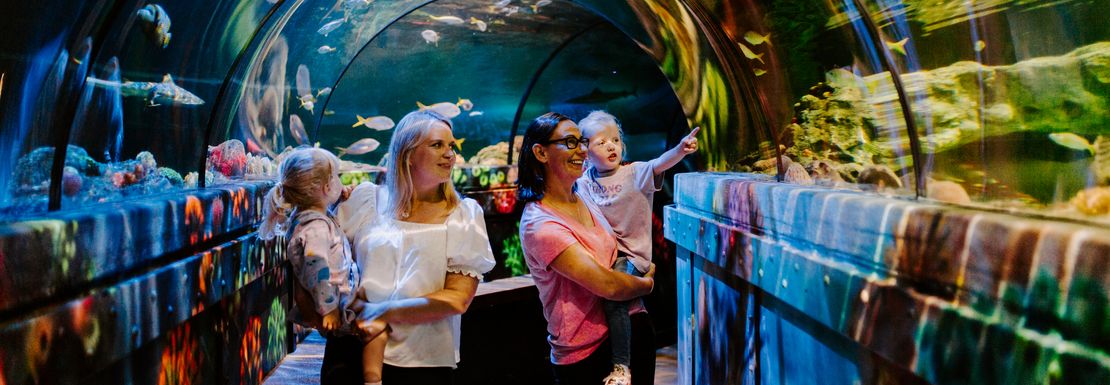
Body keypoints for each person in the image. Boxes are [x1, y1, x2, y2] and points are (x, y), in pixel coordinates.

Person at [335, 109, 497, 385]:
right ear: (407, 154)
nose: (450, 154)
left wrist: (380, 311)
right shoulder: (366, 199)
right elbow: (329, 259)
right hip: (353, 348)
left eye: (451, 146)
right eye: (437, 145)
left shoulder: (464, 215)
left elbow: (458, 298)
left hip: (421, 362)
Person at [517, 112, 657, 385]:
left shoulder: (583, 194)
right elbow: (608, 286)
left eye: (582, 141)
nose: (582, 150)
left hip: (633, 329)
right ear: (541, 152)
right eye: (570, 142)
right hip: (587, 353)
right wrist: (647, 284)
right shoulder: (540, 224)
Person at [576, 111, 698, 384]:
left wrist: (680, 149)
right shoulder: (585, 182)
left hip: (631, 255)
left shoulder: (635, 173)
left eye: (615, 140)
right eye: (601, 142)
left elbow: (659, 163)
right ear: (586, 152)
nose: (611, 146)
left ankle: (622, 366)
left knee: (614, 298)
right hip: (604, 255)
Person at [257, 147, 388, 385]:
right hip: (338, 306)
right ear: (325, 187)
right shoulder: (315, 227)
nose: (340, 181)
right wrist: (329, 309)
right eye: (336, 177)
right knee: (375, 333)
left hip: (337, 304)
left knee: (342, 352)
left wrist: (339, 198)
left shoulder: (309, 217)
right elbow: (317, 266)